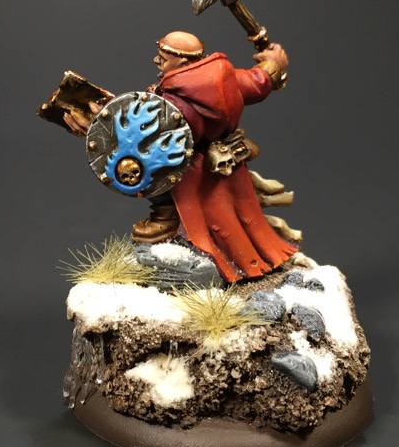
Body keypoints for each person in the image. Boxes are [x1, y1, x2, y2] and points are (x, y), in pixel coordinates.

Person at [64, 31, 295, 283]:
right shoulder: (227, 77)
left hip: (193, 177)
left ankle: (167, 218)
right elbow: (258, 82)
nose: (156, 60)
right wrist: (274, 63)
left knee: (200, 218)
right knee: (240, 222)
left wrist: (99, 127)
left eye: (163, 57)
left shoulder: (178, 104)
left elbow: (148, 150)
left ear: (183, 62)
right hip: (228, 167)